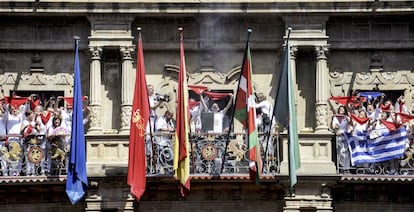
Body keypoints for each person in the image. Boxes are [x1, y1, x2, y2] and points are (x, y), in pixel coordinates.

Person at [330, 105, 351, 173]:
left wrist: (349, 118)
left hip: (346, 136)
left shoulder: (346, 117)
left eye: (342, 109)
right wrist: (336, 132)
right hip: (339, 137)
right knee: (340, 152)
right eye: (340, 109)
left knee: (346, 152)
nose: (341, 110)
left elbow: (350, 123)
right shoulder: (335, 118)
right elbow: (333, 126)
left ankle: (347, 168)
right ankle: (341, 167)